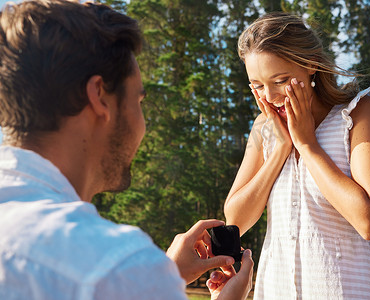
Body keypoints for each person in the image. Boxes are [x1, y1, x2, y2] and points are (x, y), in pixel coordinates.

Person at [0, 1, 253, 299]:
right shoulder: (115, 266)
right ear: (99, 96)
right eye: (138, 101)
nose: (142, 122)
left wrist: (163, 277)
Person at [224, 12, 370, 299]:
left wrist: (307, 145)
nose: (268, 96)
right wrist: (280, 149)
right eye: (256, 85)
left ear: (311, 65)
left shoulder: (358, 112)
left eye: (280, 80)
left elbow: (369, 222)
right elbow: (235, 218)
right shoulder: (264, 128)